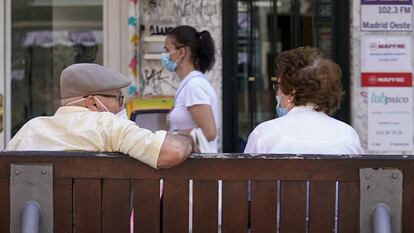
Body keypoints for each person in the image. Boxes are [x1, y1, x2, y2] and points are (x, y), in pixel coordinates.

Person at [6, 63, 197, 169]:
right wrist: (188, 138)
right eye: (118, 98)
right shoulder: (106, 124)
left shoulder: (29, 129)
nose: (121, 105)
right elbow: (173, 153)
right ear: (93, 102)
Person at [244, 46, 363, 154]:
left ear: (292, 90)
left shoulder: (264, 134)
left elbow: (246, 177)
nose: (277, 92)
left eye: (279, 85)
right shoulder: (348, 135)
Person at [161, 25, 218, 152]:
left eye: (167, 49)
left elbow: (209, 133)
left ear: (181, 52)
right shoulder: (189, 83)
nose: (164, 55)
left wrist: (171, 137)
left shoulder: (194, 85)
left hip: (197, 167)